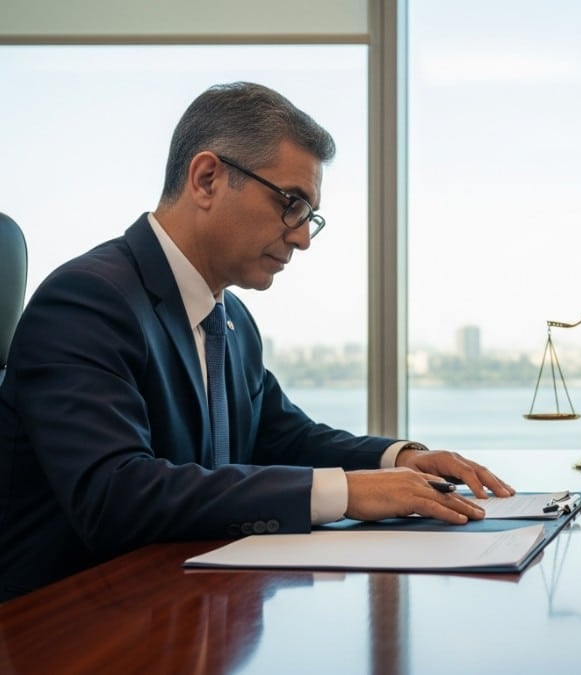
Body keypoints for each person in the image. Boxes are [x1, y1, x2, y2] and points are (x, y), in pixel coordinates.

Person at [0, 82, 514, 601]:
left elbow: (283, 437)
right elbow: (116, 494)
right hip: (67, 625)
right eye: (292, 204)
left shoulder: (232, 320)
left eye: (310, 216)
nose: (302, 237)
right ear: (207, 179)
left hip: (185, 606)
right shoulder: (88, 300)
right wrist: (346, 492)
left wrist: (397, 460)